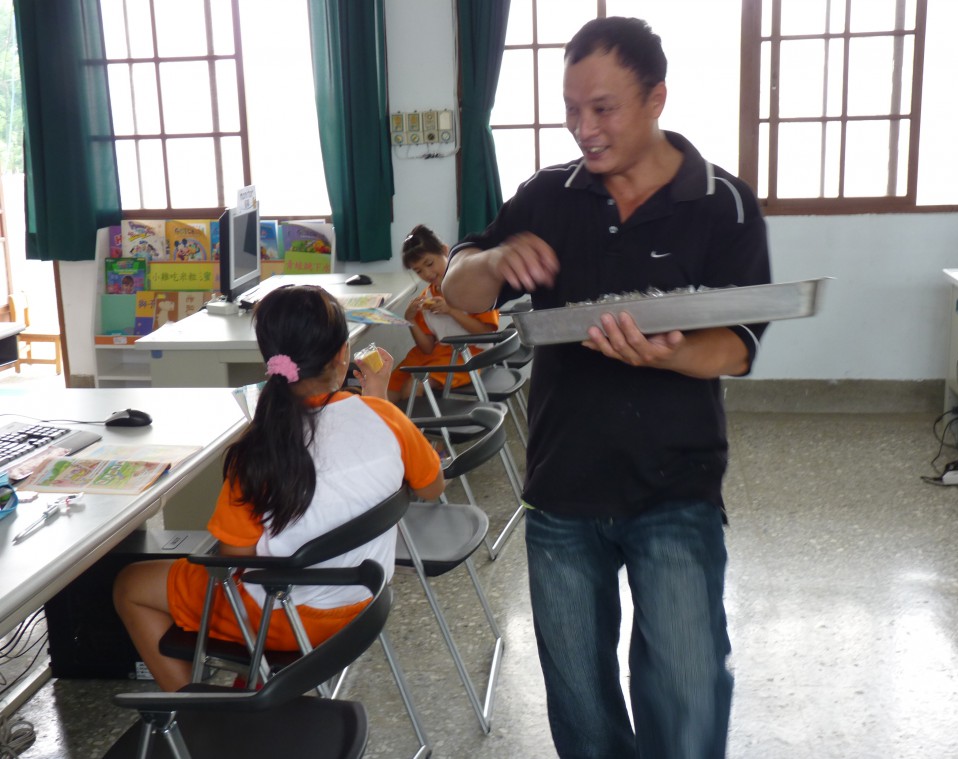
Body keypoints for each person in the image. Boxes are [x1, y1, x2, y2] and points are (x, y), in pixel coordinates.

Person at [442, 17, 772, 759]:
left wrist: (664, 355)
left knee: (687, 699)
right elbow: (458, 286)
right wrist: (492, 260)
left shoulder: (721, 202)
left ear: (656, 98)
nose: (583, 129)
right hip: (562, 489)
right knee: (581, 707)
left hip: (675, 486)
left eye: (603, 108)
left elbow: (737, 347)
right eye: (571, 109)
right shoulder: (548, 195)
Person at [113, 285, 445, 691]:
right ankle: (253, 685)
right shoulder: (387, 418)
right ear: (343, 355)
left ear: (270, 359)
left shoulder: (259, 449)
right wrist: (378, 399)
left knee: (130, 585)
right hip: (365, 603)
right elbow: (432, 488)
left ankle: (193, 711)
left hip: (283, 615)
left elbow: (235, 558)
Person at [386, 224, 500, 403]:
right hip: (436, 355)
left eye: (429, 263)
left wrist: (451, 311)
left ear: (445, 251)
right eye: (418, 271)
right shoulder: (426, 298)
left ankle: (414, 422)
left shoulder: (473, 284)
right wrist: (410, 320)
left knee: (412, 387)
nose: (427, 273)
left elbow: (487, 334)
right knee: (384, 391)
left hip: (469, 355)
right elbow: (427, 348)